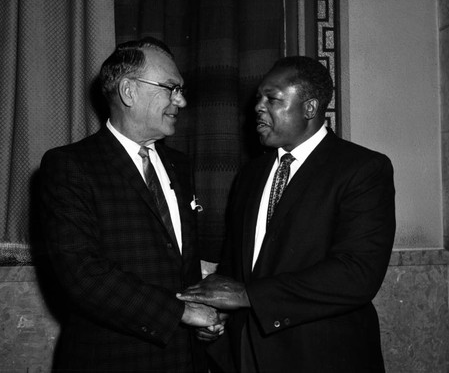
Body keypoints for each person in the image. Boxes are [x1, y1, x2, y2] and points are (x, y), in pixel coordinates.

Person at [177, 56, 396, 372]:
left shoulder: (362, 169)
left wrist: (248, 295)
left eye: (272, 98)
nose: (258, 107)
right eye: (258, 98)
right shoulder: (250, 174)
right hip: (245, 353)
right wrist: (217, 314)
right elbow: (236, 266)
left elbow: (357, 274)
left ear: (309, 108)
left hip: (321, 356)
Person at [40, 37, 222, 372]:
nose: (181, 101)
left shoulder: (180, 165)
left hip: (185, 359)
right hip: (113, 360)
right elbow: (83, 274)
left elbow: (179, 262)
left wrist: (203, 320)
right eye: (171, 87)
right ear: (128, 91)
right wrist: (180, 313)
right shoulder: (70, 166)